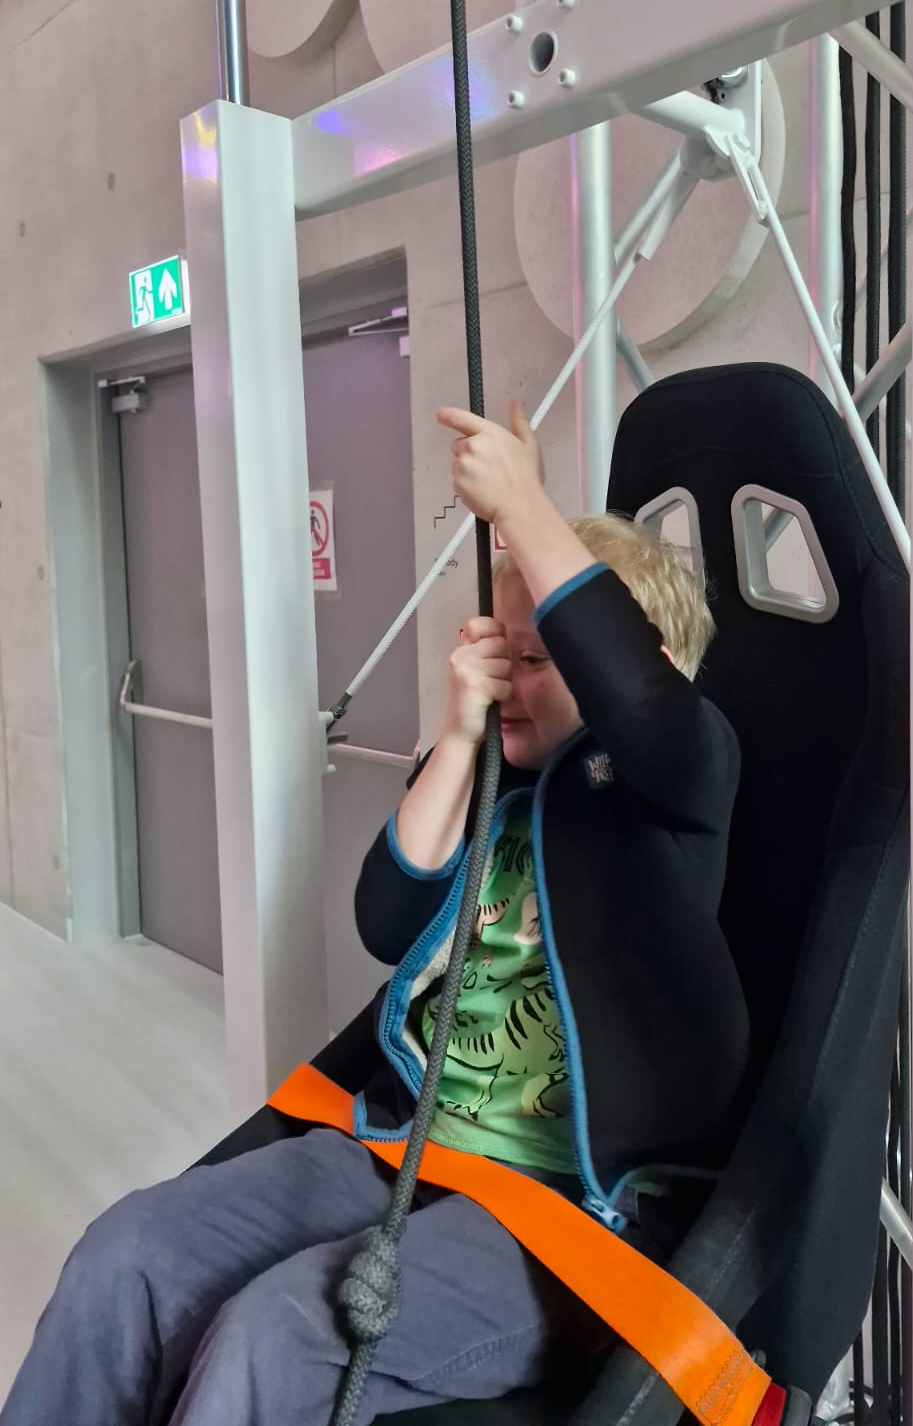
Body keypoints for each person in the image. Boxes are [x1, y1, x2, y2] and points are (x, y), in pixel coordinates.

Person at [2, 403, 746, 1426]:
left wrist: (522, 506)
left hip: (563, 1210)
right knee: (126, 1252)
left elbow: (647, 707)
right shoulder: (490, 783)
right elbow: (386, 921)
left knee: (276, 1336)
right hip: (405, 1146)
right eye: (500, 651)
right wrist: (458, 738)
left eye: (539, 660)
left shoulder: (681, 782)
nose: (509, 680)